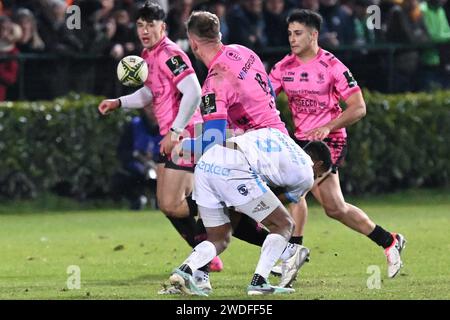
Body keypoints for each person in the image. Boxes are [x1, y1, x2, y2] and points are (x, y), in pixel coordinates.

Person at [98, 2, 271, 294]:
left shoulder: (170, 54)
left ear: (162, 27)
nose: (145, 30)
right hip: (173, 135)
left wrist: (177, 130)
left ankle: (210, 253)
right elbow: (151, 93)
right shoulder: (147, 56)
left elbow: (192, 89)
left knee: (173, 202)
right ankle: (216, 246)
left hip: (188, 134)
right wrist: (119, 102)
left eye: (151, 25)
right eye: (140, 25)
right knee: (169, 204)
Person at [268, 9, 406, 287]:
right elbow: (264, 98)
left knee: (295, 190)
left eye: (298, 34)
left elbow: (359, 108)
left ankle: (293, 253)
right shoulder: (283, 67)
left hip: (329, 142)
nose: (292, 39)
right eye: (289, 34)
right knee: (335, 208)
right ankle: (389, 240)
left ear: (313, 35)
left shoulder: (332, 66)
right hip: (301, 142)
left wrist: (329, 126)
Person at [168, 128, 333, 296]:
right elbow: (279, 200)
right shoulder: (306, 175)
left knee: (219, 237)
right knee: (283, 223)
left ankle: (185, 270)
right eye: (319, 175)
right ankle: (259, 282)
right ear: (318, 164)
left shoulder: (280, 136)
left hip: (208, 162)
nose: (316, 179)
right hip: (236, 167)